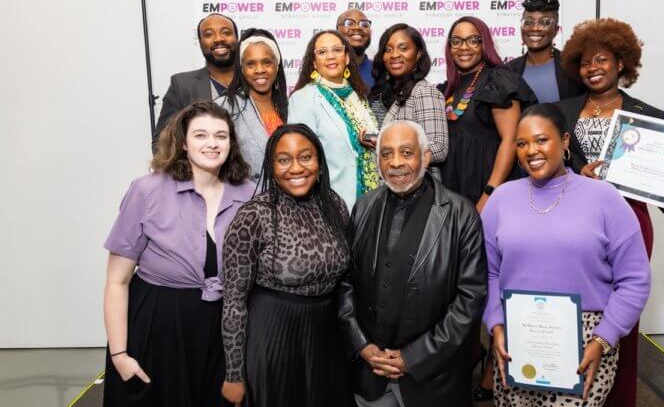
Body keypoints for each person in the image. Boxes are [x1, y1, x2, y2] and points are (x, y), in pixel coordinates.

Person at [555, 18, 664, 407]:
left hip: (629, 224)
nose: (593, 68)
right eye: (585, 62)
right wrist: (576, 174)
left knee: (622, 320)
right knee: (576, 315)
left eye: (602, 60)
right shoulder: (560, 110)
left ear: (622, 63)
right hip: (573, 225)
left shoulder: (650, 116)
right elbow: (544, 165)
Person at [483, 103, 651, 407]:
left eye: (541, 140)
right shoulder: (502, 199)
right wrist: (495, 324)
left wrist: (603, 338)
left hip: (587, 341)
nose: (531, 150)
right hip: (517, 339)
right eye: (522, 144)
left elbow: (635, 280)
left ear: (564, 141)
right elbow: (487, 272)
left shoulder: (604, 197)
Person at [102, 101, 255, 406]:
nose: (212, 143)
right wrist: (119, 354)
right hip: (159, 329)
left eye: (221, 136)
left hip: (224, 333)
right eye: (200, 135)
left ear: (231, 144)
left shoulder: (250, 193)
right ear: (183, 143)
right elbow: (117, 281)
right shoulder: (147, 190)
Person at [338, 120, 487, 407]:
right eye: (386, 154)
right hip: (372, 375)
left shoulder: (461, 214)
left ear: (426, 156)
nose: (396, 163)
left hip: (433, 382)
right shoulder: (363, 206)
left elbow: (470, 300)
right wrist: (361, 345)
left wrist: (414, 357)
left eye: (406, 152)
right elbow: (345, 283)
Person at [220, 124, 354, 407]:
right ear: (271, 166)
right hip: (273, 336)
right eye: (283, 160)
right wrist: (234, 375)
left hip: (325, 334)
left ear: (319, 161)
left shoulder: (334, 204)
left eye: (305, 157)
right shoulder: (254, 216)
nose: (296, 168)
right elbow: (233, 302)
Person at [440, 16, 537, 212]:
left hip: (489, 189)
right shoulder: (447, 89)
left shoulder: (497, 80)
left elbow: (511, 140)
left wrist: (489, 194)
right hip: (455, 192)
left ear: (484, 44)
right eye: (456, 41)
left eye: (472, 40)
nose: (463, 47)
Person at [288, 30, 379, 211]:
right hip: (328, 204)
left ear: (346, 58)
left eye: (337, 50)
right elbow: (300, 157)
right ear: (313, 62)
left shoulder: (358, 97)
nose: (330, 56)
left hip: (369, 203)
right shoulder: (303, 99)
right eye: (322, 52)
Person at [369, 23, 449, 179]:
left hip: (415, 188)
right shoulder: (383, 93)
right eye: (388, 49)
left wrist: (391, 148)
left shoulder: (424, 92)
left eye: (403, 48)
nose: (394, 55)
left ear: (418, 54)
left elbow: (439, 148)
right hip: (385, 187)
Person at [216, 28, 288, 185]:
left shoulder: (292, 106)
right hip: (248, 204)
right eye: (251, 64)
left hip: (292, 203)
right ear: (242, 69)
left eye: (267, 62)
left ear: (277, 65)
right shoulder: (224, 108)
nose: (260, 70)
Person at [154, 13, 239, 143]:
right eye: (209, 34)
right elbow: (161, 142)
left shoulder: (256, 81)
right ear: (200, 43)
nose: (218, 39)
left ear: (237, 39)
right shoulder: (182, 85)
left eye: (226, 33)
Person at [504, 0, 585, 103]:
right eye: (528, 22)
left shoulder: (572, 67)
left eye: (545, 22)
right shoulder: (508, 71)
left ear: (556, 29)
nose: (535, 28)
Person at [337, 9, 375, 90]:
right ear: (337, 31)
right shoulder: (325, 70)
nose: (357, 27)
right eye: (349, 23)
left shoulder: (380, 71)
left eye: (364, 25)